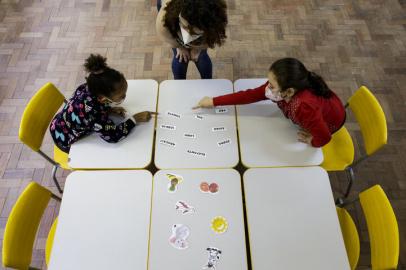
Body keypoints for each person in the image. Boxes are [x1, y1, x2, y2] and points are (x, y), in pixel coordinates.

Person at [193, 58, 346, 147]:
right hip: (321, 111)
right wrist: (214, 101)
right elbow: (249, 95)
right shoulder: (288, 88)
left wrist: (313, 140)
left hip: (331, 121)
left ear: (289, 92)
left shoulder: (304, 107)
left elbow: (325, 138)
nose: (267, 88)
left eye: (272, 85)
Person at [50, 54, 156, 153]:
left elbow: (95, 106)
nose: (124, 97)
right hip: (65, 140)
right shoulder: (93, 114)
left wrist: (108, 110)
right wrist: (135, 119)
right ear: (103, 98)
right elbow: (114, 136)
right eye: (121, 96)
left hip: (58, 123)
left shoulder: (88, 87)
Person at [156, 0, 227, 79]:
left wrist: (197, 49)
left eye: (194, 33)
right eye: (185, 27)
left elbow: (210, 39)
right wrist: (180, 47)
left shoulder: (213, 17)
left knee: (201, 57)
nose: (187, 34)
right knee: (180, 59)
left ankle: (208, 83)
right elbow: (170, 38)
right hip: (172, 16)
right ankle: (180, 86)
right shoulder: (163, 19)